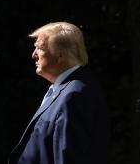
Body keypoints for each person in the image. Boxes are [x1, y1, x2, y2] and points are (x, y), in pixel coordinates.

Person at [8, 22, 110, 164]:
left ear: (60, 55)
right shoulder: (67, 88)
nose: (33, 55)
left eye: (39, 48)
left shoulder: (74, 95)